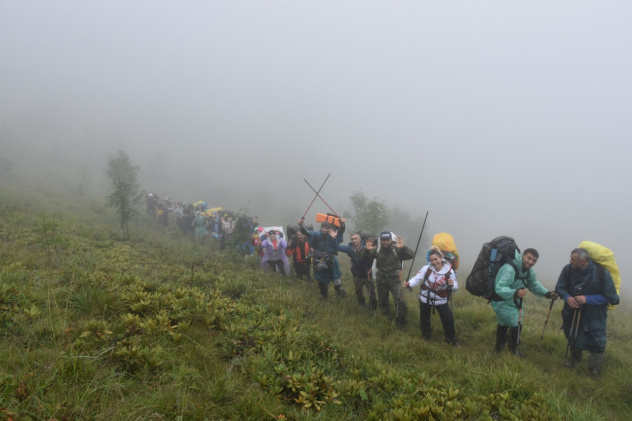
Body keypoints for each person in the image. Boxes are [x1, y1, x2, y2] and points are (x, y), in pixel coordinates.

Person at [555, 248, 619, 376]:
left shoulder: (601, 273)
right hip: (572, 311)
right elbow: (560, 287)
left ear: (583, 261)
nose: (570, 261)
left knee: (596, 340)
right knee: (573, 334)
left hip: (594, 314)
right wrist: (567, 297)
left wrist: (587, 299)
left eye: (573, 259)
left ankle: (595, 371)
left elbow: (613, 299)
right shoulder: (568, 270)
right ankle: (575, 360)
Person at [492, 248, 558, 357]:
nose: (530, 262)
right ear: (523, 255)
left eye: (534, 260)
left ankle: (499, 348)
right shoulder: (509, 268)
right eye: (529, 258)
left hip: (514, 301)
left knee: (504, 323)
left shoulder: (528, 271)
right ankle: (513, 350)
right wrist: (515, 293)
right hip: (501, 301)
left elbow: (533, 284)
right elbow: (499, 287)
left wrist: (548, 293)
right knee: (516, 323)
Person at [404, 247, 458, 345]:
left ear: (441, 258)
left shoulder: (450, 272)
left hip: (441, 300)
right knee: (424, 319)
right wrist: (409, 283)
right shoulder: (426, 268)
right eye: (431, 260)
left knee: (448, 320)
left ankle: (451, 340)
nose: (434, 262)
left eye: (436, 259)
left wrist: (452, 285)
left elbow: (455, 288)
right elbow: (417, 278)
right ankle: (426, 336)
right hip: (425, 298)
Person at [361, 231, 414, 328]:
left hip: (394, 279)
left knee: (400, 301)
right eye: (383, 240)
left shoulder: (397, 250)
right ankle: (386, 319)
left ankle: (401, 323)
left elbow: (411, 255)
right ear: (380, 240)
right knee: (383, 301)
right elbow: (363, 257)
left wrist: (403, 248)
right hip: (381, 279)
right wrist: (366, 250)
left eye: (387, 240)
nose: (385, 242)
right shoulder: (376, 250)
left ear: (391, 240)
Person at [298, 216, 346, 299]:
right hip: (319, 260)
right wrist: (301, 225)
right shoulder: (316, 234)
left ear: (329, 229)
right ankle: (325, 297)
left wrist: (342, 224)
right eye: (322, 227)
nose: (323, 229)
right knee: (322, 281)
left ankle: (341, 297)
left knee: (336, 278)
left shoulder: (333, 234)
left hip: (331, 259)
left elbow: (341, 231)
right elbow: (306, 232)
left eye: (326, 228)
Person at [337, 233, 377, 310]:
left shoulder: (368, 247)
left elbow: (375, 258)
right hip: (357, 274)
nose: (354, 241)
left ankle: (373, 308)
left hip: (367, 274)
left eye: (355, 239)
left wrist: (371, 269)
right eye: (352, 239)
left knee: (372, 293)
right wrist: (335, 237)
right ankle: (362, 305)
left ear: (360, 239)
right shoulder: (350, 249)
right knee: (358, 292)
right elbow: (337, 247)